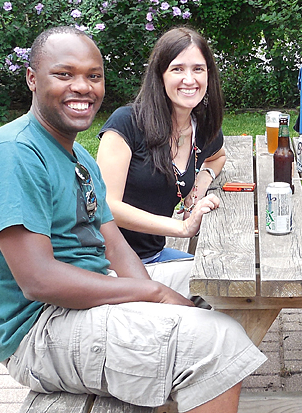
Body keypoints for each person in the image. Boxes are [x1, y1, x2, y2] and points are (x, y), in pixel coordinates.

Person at [0, 26, 266, 413]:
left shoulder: (77, 154)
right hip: (38, 328)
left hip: (87, 296)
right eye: (65, 75)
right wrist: (152, 296)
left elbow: (112, 239)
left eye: (94, 76)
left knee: (226, 284)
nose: (82, 87)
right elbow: (39, 281)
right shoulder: (12, 154)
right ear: (32, 79)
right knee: (215, 341)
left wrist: (148, 289)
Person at [96, 26, 225, 281]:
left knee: (225, 273)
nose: (190, 79)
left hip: (154, 256)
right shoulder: (127, 123)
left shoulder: (202, 130)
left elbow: (217, 157)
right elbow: (106, 206)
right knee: (218, 285)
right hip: (107, 266)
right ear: (160, 75)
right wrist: (183, 227)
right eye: (178, 69)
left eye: (198, 69)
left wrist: (196, 189)